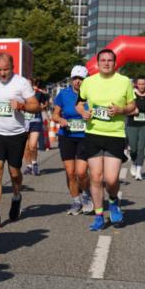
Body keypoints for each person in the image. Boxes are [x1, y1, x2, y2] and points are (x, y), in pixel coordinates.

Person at [76, 48, 135, 231]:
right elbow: (79, 103)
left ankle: (113, 200)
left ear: (115, 63)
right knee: (95, 176)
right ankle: (99, 215)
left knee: (110, 179)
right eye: (103, 60)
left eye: (110, 60)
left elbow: (132, 105)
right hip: (93, 133)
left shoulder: (124, 82)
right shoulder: (89, 82)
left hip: (115, 134)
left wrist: (120, 110)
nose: (106, 63)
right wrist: (83, 112)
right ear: (98, 62)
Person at [0, 52, 40, 226]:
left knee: (14, 173)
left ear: (12, 67)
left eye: (6, 69)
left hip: (16, 133)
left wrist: (21, 106)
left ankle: (16, 196)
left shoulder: (21, 83)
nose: (2, 73)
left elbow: (35, 106)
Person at [52, 65, 93, 215]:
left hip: (85, 137)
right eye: (75, 78)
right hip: (67, 136)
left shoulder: (91, 94)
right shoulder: (64, 94)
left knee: (81, 172)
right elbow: (55, 114)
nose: (77, 81)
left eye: (81, 79)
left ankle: (86, 194)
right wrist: (61, 119)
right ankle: (76, 201)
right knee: (70, 173)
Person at [125, 76, 145, 181]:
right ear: (136, 84)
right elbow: (124, 109)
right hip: (132, 124)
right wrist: (132, 112)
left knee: (141, 148)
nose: (142, 86)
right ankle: (134, 163)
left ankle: (138, 171)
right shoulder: (131, 95)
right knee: (133, 149)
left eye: (143, 84)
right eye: (140, 84)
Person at [23, 78, 48, 176]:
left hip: (35, 121)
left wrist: (39, 107)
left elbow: (46, 103)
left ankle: (34, 163)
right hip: (23, 122)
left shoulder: (38, 94)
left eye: (29, 84)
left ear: (32, 84)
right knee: (26, 147)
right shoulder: (20, 94)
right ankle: (29, 166)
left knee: (32, 145)